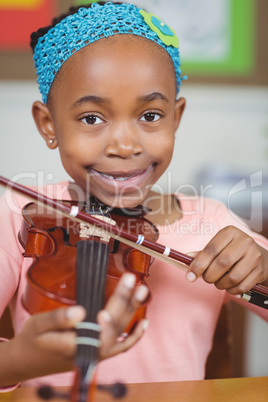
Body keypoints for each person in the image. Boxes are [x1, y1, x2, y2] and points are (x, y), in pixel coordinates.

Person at [0, 0, 267, 391]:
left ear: (175, 118)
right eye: (92, 118)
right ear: (48, 124)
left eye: (150, 116)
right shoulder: (19, 215)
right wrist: (18, 362)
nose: (125, 145)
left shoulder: (211, 222)